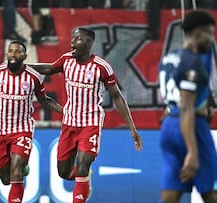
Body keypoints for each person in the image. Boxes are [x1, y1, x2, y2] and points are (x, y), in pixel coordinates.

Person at [30, 27, 143, 203]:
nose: (72, 42)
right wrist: (24, 66)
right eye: (72, 39)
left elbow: (117, 97)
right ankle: (84, 180)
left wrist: (132, 128)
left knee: (82, 165)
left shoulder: (102, 67)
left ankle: (82, 181)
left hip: (90, 123)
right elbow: (49, 69)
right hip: (69, 123)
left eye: (78, 39)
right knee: (64, 172)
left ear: (89, 43)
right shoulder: (66, 59)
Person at [0, 40, 62, 203]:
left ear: (24, 56)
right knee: (6, 178)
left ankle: (21, 167)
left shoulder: (34, 77)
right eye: (10, 51)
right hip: (0, 130)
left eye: (17, 51)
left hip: (23, 129)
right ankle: (23, 167)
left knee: (17, 171)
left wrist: (64, 112)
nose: (13, 54)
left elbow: (44, 100)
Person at [158, 10, 217, 203]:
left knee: (171, 192)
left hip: (168, 125)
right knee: (211, 193)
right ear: (199, 33)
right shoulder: (192, 63)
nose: (211, 40)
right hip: (191, 126)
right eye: (209, 34)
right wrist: (193, 153)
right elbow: (186, 107)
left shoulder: (168, 57)